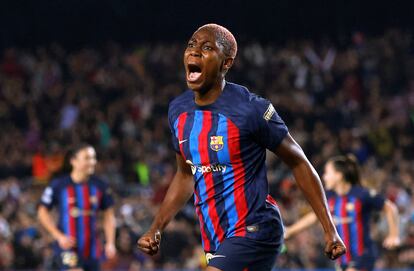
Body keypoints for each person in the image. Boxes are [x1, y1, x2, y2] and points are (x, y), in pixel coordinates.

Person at [137, 23, 346, 271]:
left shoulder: (250, 109)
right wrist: (157, 227)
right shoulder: (178, 111)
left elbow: (298, 161)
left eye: (206, 48)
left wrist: (329, 229)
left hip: (255, 228)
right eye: (191, 45)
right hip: (215, 236)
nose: (194, 52)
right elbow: (185, 175)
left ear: (226, 63)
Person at [284, 155, 400, 271]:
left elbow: (390, 207)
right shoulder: (329, 197)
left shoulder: (361, 194)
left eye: (327, 173)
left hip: (362, 256)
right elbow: (315, 216)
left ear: (339, 176)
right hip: (341, 260)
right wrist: (290, 231)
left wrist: (394, 235)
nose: (324, 177)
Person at [38, 143, 116, 271]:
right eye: (87, 158)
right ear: (73, 161)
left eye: (93, 158)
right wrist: (58, 235)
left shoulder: (100, 185)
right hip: (68, 248)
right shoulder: (59, 185)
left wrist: (110, 242)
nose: (92, 162)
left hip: (92, 249)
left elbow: (109, 215)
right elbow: (42, 211)